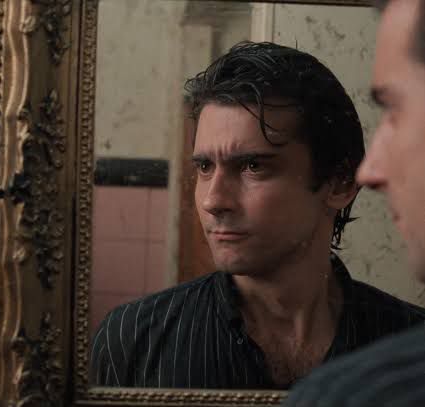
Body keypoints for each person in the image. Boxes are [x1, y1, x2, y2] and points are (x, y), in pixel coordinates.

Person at [89, 41, 425, 390]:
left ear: (339, 183)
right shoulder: (133, 340)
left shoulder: (411, 342)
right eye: (204, 167)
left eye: (253, 166)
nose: (213, 200)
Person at [285, 1, 425, 405]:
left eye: (394, 110)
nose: (371, 171)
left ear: (339, 183)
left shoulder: (353, 395)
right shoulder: (136, 332)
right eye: (203, 166)